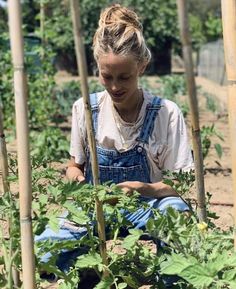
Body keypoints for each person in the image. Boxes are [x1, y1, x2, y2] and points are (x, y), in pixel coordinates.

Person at [37, 3, 193, 286]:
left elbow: (180, 185)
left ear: (142, 67)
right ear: (97, 68)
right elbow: (74, 166)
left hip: (148, 206)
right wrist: (81, 185)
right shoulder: (86, 108)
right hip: (98, 205)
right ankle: (88, 273)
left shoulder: (166, 113)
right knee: (41, 250)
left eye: (124, 77)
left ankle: (168, 279)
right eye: (106, 76)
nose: (115, 86)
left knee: (179, 218)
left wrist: (141, 188)